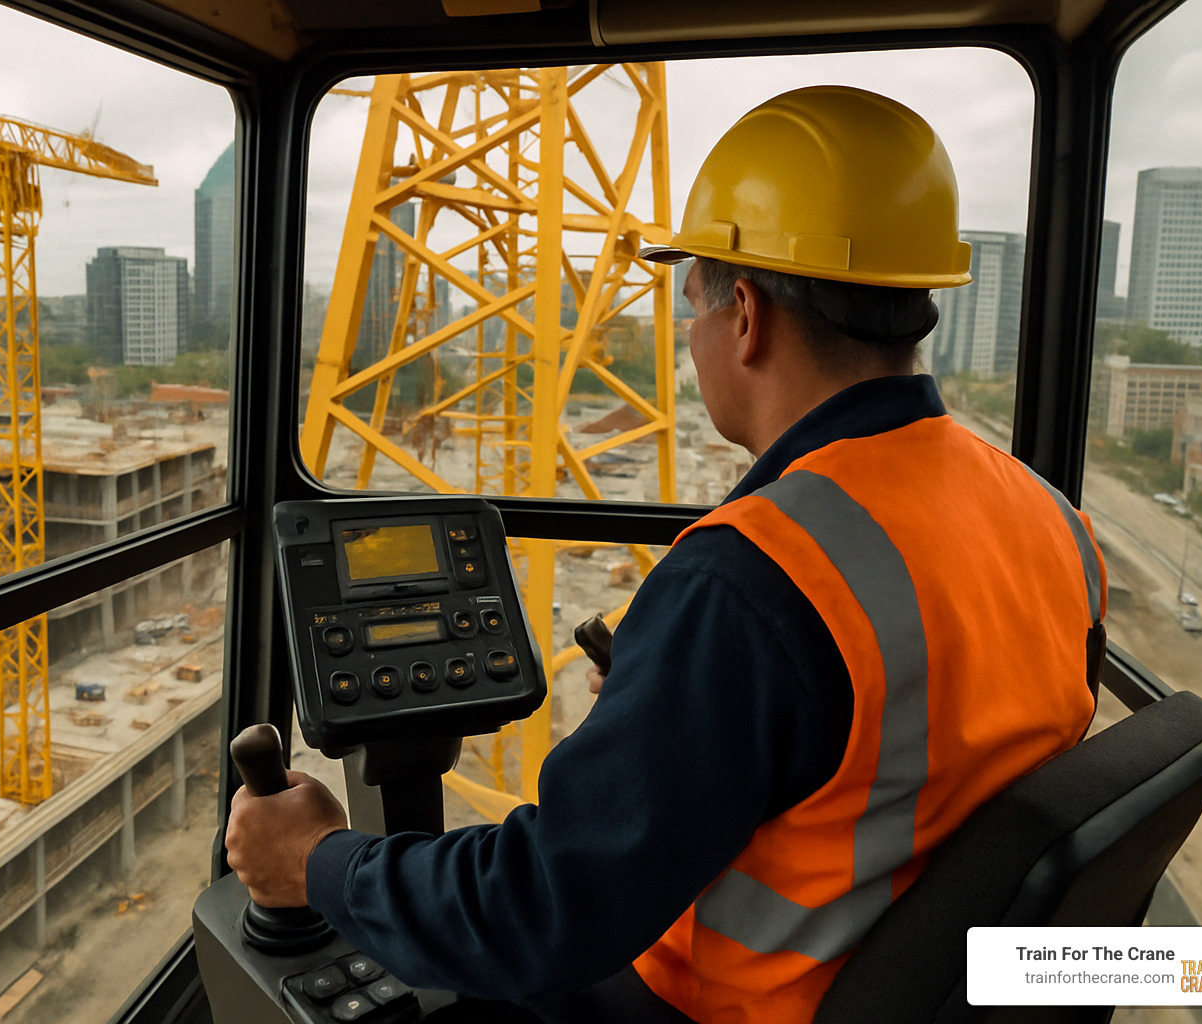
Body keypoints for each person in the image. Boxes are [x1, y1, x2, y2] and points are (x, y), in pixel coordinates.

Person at [224, 85, 1106, 1023]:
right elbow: (913, 753)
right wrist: (692, 722)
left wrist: (320, 862)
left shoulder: (755, 577)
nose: (691, 341)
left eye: (692, 306)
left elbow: (541, 912)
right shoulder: (1052, 516)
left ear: (747, 316)